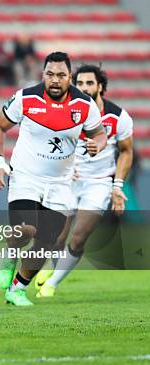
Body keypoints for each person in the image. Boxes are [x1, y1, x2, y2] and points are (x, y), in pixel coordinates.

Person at [0, 52, 107, 307]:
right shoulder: (26, 98)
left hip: (61, 183)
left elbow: (99, 133)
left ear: (70, 77)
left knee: (48, 242)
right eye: (50, 74)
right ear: (43, 74)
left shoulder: (84, 105)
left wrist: (98, 144)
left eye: (61, 75)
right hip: (25, 177)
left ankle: (17, 289)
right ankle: (9, 255)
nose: (55, 80)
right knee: (26, 230)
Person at [35, 65, 134, 297]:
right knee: (56, 237)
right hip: (68, 180)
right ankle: (51, 265)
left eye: (89, 83)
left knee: (79, 237)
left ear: (100, 87)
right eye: (79, 83)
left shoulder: (118, 117)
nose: (84, 88)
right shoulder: (63, 111)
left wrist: (117, 186)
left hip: (98, 182)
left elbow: (127, 151)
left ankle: (52, 284)